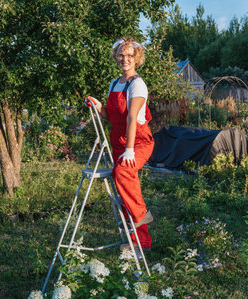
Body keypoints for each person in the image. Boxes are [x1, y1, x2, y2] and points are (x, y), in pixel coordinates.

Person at [85, 37, 154, 251]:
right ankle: (140, 241)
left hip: (138, 142)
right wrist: (98, 106)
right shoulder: (114, 84)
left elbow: (132, 118)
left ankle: (141, 217)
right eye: (121, 55)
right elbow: (112, 117)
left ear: (136, 58)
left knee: (123, 173)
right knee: (126, 187)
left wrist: (130, 150)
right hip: (119, 142)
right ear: (116, 57)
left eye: (130, 56)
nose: (125, 59)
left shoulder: (138, 84)